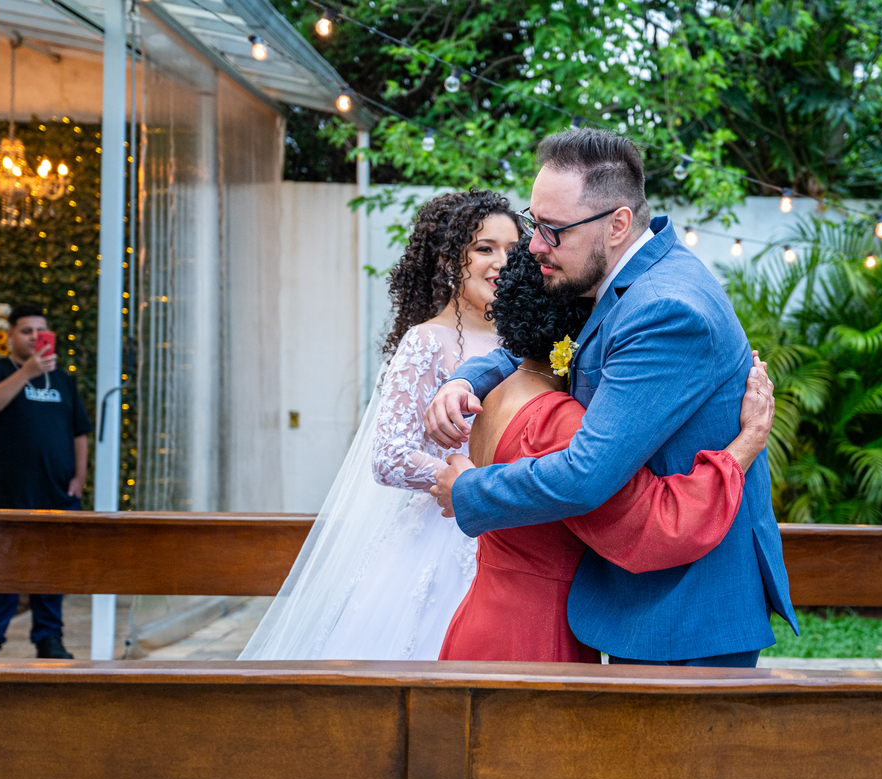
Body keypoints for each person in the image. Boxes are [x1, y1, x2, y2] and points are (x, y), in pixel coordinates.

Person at [427, 129, 799, 667]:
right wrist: (468, 379)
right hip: (640, 595)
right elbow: (549, 344)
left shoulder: (667, 309)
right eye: (536, 224)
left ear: (618, 224)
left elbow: (586, 474)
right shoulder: (618, 276)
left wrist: (470, 490)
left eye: (551, 230)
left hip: (681, 610)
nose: (533, 247)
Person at [239, 190, 518, 661]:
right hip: (442, 535)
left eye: (512, 250)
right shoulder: (426, 342)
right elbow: (388, 456)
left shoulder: (525, 340)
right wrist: (460, 478)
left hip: (512, 526)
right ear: (451, 260)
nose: (501, 263)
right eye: (485, 248)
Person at [0, 304, 91, 659]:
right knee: (0, 569)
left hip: (57, 491)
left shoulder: (62, 379)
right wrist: (25, 373)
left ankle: (49, 638)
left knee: (52, 570)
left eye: (40, 331)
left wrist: (80, 476)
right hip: (5, 490)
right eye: (26, 330)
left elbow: (79, 431)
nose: (33, 337)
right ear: (9, 334)